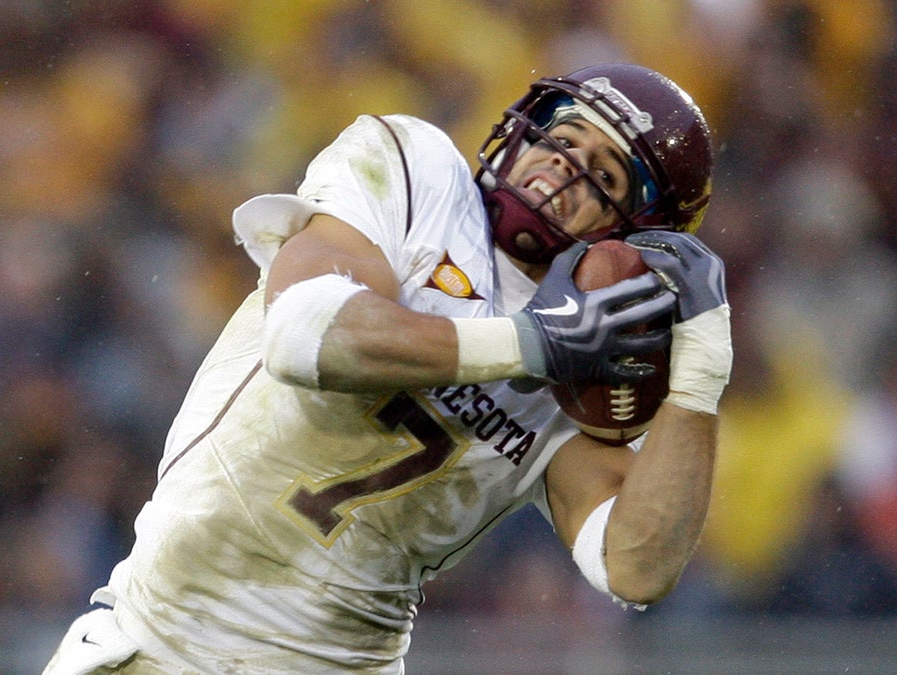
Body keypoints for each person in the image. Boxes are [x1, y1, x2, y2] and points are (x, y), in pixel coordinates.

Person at [44, 62, 731, 674]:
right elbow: (303, 332)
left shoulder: (596, 368)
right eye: (564, 136)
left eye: (603, 174)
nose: (561, 166)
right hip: (162, 639)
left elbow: (637, 566)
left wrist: (701, 373)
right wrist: (529, 344)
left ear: (639, 232)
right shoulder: (416, 170)